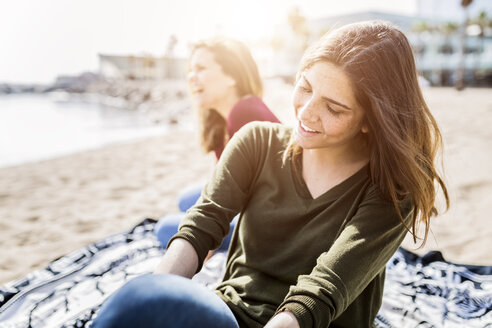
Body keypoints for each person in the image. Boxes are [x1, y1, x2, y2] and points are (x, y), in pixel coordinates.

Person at [93, 20, 449, 328]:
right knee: (135, 303)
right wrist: (156, 295)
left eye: (334, 108)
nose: (306, 113)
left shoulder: (391, 187)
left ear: (371, 122)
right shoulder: (257, 141)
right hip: (231, 313)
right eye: (305, 88)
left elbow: (323, 291)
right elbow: (203, 224)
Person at [154, 37, 280, 250]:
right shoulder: (222, 120)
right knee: (185, 200)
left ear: (232, 77)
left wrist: (203, 245)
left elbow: (255, 198)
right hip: (248, 203)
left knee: (164, 228)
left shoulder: (245, 112)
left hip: (268, 218)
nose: (191, 77)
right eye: (190, 70)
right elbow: (220, 183)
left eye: (201, 68)